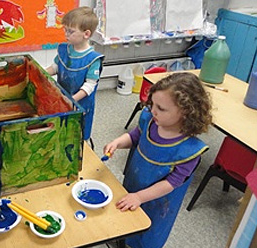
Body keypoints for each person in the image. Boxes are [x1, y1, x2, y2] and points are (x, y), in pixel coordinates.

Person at [103, 72, 213, 248]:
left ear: (186, 111)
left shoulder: (190, 150)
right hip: (133, 185)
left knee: (146, 235)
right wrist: (117, 142)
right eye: (152, 104)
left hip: (158, 203)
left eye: (161, 108)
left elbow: (171, 183)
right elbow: (135, 136)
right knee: (125, 221)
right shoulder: (150, 120)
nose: (153, 110)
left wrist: (140, 197)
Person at [46, 6, 104, 145]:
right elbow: (55, 67)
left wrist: (71, 100)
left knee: (77, 134)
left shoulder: (93, 59)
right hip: (63, 99)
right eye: (65, 30)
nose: (66, 34)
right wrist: (40, 72)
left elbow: (89, 86)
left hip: (80, 105)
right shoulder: (64, 49)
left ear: (86, 34)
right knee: (61, 130)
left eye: (71, 31)